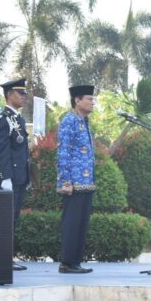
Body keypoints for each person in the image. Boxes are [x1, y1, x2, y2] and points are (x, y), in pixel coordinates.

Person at [56, 84, 97, 274]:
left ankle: (76, 262)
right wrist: (65, 181)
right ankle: (67, 262)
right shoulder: (69, 121)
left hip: (86, 182)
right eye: (89, 99)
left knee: (82, 224)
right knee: (72, 223)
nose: (92, 102)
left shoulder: (85, 121)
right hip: (73, 182)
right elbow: (63, 152)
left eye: (93, 99)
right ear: (77, 100)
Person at [0, 79, 31, 271]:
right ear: (9, 95)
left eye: (24, 93)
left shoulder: (19, 119)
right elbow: (2, 151)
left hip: (20, 177)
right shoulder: (4, 119)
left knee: (14, 218)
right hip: (10, 178)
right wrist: (5, 177)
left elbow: (22, 151)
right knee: (6, 219)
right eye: (19, 93)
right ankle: (2, 257)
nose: (23, 97)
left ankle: (7, 256)